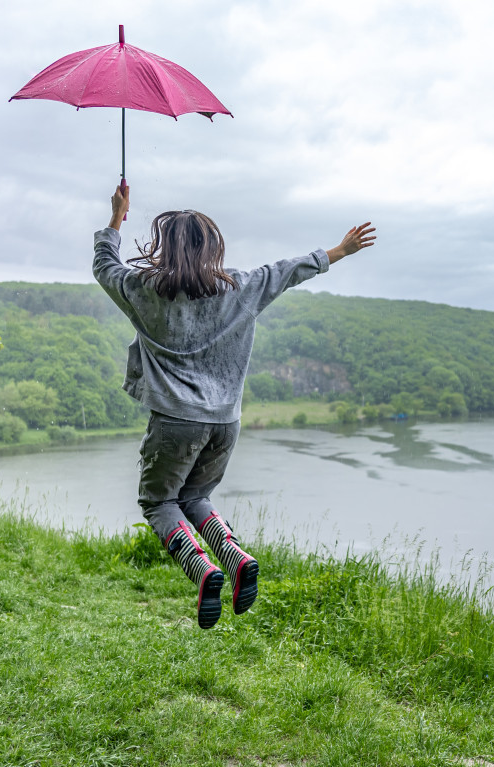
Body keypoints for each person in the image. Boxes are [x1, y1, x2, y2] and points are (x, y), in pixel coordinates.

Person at [93, 184, 375, 629]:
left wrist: (116, 217)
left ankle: (204, 572)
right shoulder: (242, 287)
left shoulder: (141, 289)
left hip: (175, 423)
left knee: (159, 502)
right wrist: (340, 250)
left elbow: (104, 266)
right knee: (196, 496)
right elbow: (288, 270)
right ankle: (236, 558)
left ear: (164, 248)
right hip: (226, 423)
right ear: (212, 248)